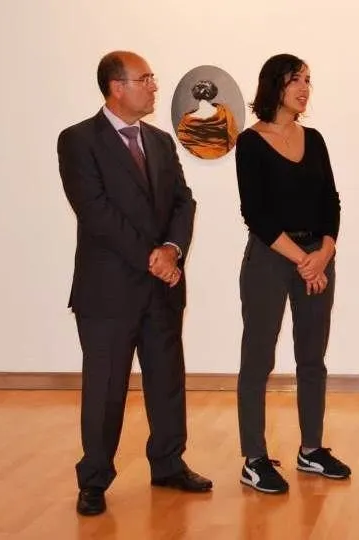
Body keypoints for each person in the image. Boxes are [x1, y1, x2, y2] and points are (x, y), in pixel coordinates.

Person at [57, 50, 212, 517]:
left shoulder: (162, 142)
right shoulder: (78, 140)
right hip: (108, 291)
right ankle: (95, 479)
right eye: (145, 79)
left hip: (162, 286)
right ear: (116, 87)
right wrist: (151, 256)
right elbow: (95, 210)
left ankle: (168, 463)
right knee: (106, 389)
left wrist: (173, 251)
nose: (153, 86)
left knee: (167, 381)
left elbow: (184, 203)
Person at [234, 53, 351, 494]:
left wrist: (323, 253)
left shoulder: (315, 139)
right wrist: (302, 260)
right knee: (258, 359)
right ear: (273, 87)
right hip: (270, 258)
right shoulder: (250, 142)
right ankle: (254, 457)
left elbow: (331, 203)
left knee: (312, 358)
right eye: (295, 80)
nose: (304, 87)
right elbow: (256, 215)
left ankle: (312, 450)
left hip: (318, 257)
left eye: (308, 79)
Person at [176, 79, 240, 159]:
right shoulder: (224, 112)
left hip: (195, 158)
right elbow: (233, 137)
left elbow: (182, 143)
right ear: (212, 93)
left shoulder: (186, 120)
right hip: (222, 155)